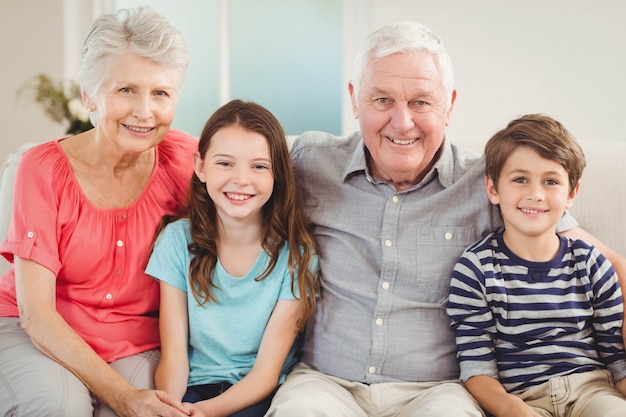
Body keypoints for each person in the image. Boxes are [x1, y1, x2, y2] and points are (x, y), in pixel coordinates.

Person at [265, 21, 626, 417]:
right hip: (325, 382)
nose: (402, 123)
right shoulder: (310, 161)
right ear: (354, 99)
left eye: (421, 102)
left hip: (438, 392)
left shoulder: (492, 182)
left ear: (449, 104)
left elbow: (607, 263)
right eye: (382, 100)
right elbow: (228, 180)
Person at [0, 7, 196, 417]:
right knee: (60, 407)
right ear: (89, 95)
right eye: (126, 89)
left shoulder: (186, 161)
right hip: (32, 327)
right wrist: (123, 397)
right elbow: (38, 316)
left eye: (160, 93)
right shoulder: (41, 168)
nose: (145, 111)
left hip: (137, 338)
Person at [146, 99, 319, 417]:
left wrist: (206, 413)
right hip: (195, 388)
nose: (241, 179)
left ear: (277, 175)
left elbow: (266, 374)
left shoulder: (297, 256)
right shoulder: (176, 241)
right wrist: (174, 409)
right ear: (200, 166)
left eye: (259, 166)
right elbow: (173, 355)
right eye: (225, 163)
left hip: (259, 394)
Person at [447, 114, 626, 417]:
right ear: (493, 189)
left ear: (571, 194)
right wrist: (509, 408)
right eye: (520, 179)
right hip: (522, 400)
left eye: (551, 181)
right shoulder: (475, 269)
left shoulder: (592, 263)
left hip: (592, 391)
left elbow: (616, 358)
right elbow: (477, 368)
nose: (535, 193)